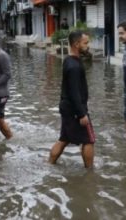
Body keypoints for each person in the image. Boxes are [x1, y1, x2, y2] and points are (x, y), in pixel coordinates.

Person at [49, 31, 95, 168]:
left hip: (67, 107)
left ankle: (49, 164)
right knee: (89, 140)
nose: (88, 46)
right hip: (75, 109)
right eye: (85, 43)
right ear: (76, 44)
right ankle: (90, 172)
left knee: (64, 138)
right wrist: (81, 113)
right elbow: (74, 91)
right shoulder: (73, 66)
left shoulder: (69, 60)